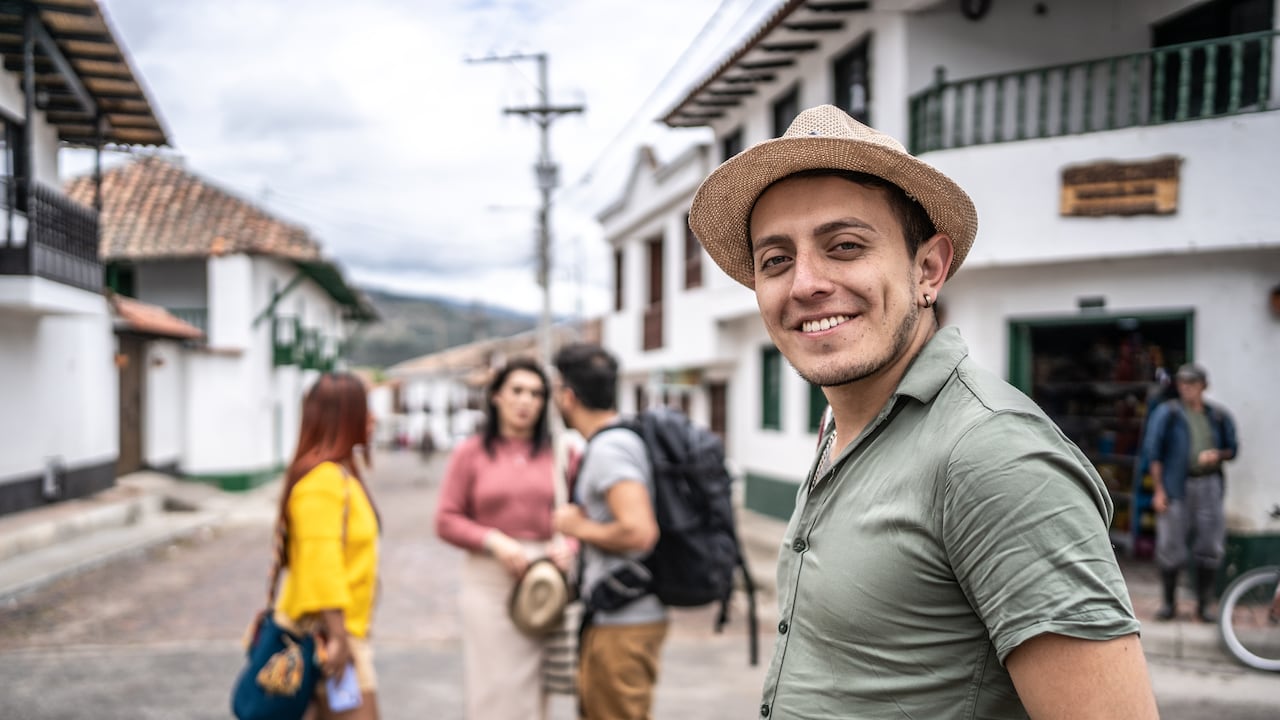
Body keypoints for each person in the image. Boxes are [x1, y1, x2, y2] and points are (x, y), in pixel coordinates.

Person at [687, 104, 1158, 718]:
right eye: (776, 260)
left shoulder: (992, 456)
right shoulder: (843, 428)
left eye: (845, 246)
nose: (805, 283)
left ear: (928, 269)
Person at [435, 357, 576, 720]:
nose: (526, 400)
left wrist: (570, 547)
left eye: (536, 393)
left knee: (532, 690)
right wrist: (493, 540)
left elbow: (583, 514)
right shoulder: (472, 453)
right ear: (496, 396)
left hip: (542, 583)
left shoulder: (561, 453)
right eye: (517, 390)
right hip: (488, 580)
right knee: (493, 685)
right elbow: (446, 519)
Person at [550, 343, 666, 720]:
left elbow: (639, 532)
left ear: (568, 397)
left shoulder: (609, 449)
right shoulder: (617, 440)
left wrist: (576, 526)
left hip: (624, 621)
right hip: (619, 615)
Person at [274, 372, 381, 719]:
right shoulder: (322, 482)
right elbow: (322, 563)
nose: (373, 419)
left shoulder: (338, 475)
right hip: (327, 634)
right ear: (345, 417)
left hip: (340, 630)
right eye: (366, 410)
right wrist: (339, 638)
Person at [1144, 362, 1238, 622]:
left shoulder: (1217, 415)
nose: (1186, 388)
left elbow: (1233, 448)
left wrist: (1217, 454)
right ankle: (1169, 603)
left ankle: (1203, 605)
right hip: (1176, 486)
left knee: (1210, 544)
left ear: (1203, 386)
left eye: (1192, 384)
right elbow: (1154, 454)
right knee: (1170, 544)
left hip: (1208, 484)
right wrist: (1159, 491)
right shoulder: (1168, 413)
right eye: (1182, 383)